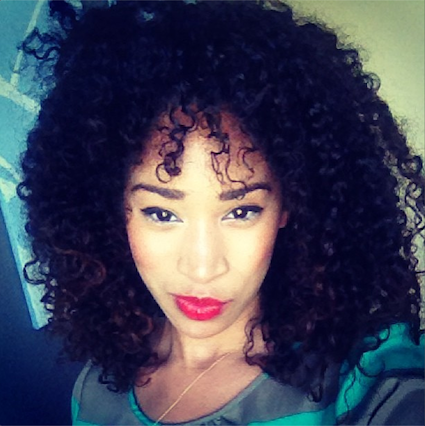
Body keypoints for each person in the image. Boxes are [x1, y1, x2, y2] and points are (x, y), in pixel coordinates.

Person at [19, 1, 424, 425]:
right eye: (161, 213)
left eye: (241, 211)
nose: (202, 267)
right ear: (115, 211)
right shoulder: (96, 391)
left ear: (288, 205)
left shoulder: (365, 380)